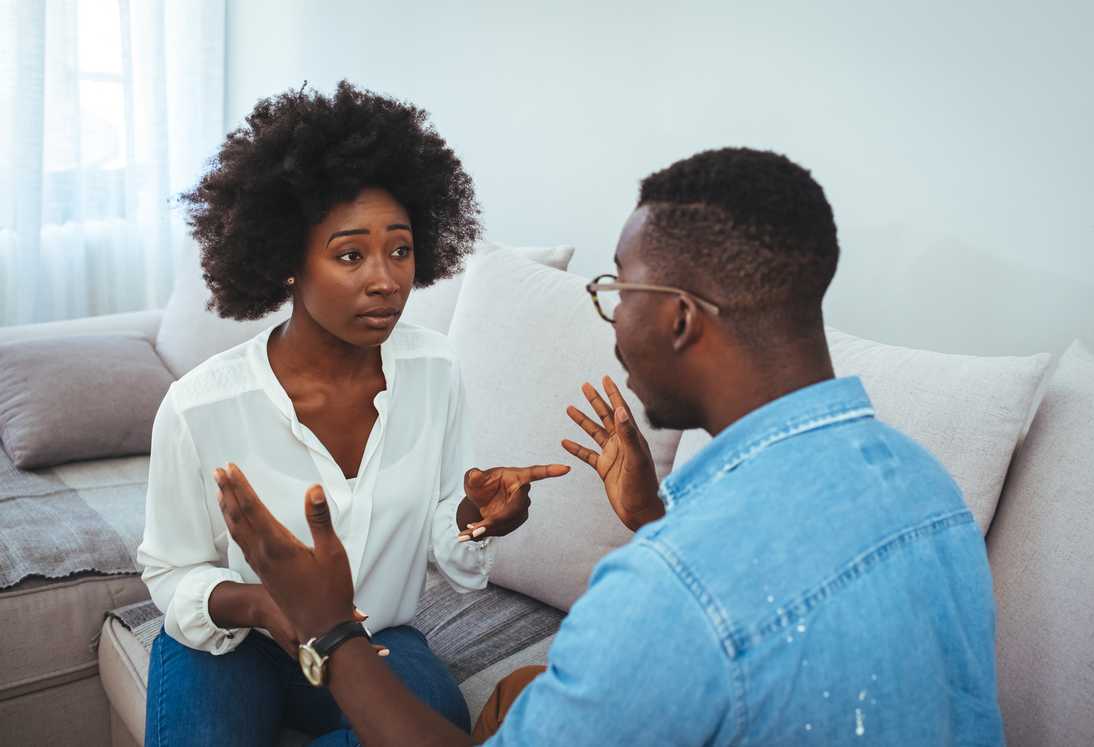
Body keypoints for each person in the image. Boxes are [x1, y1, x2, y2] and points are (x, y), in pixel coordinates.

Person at [214, 147, 1005, 745]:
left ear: (681, 318)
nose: (612, 316)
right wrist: (655, 516)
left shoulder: (665, 591)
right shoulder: (927, 488)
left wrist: (332, 628)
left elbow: (707, 610)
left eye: (619, 288)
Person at [137, 81, 568, 747]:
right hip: (237, 643)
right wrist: (262, 603)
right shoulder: (200, 405)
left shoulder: (435, 370)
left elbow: (445, 536)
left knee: (436, 723)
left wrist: (475, 519)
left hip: (374, 639)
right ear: (286, 261)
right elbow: (171, 569)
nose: (386, 278)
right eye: (349, 254)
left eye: (399, 249)